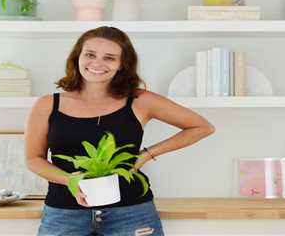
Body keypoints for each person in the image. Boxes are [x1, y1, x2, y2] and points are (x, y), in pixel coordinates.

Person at [25, 26, 215, 236]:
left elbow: (201, 127)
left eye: (109, 58)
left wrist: (146, 155)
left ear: (122, 65)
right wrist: (71, 180)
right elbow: (33, 159)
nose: (97, 63)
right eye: (90, 54)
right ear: (77, 57)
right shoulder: (47, 104)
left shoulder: (140, 101)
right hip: (64, 214)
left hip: (131, 212)